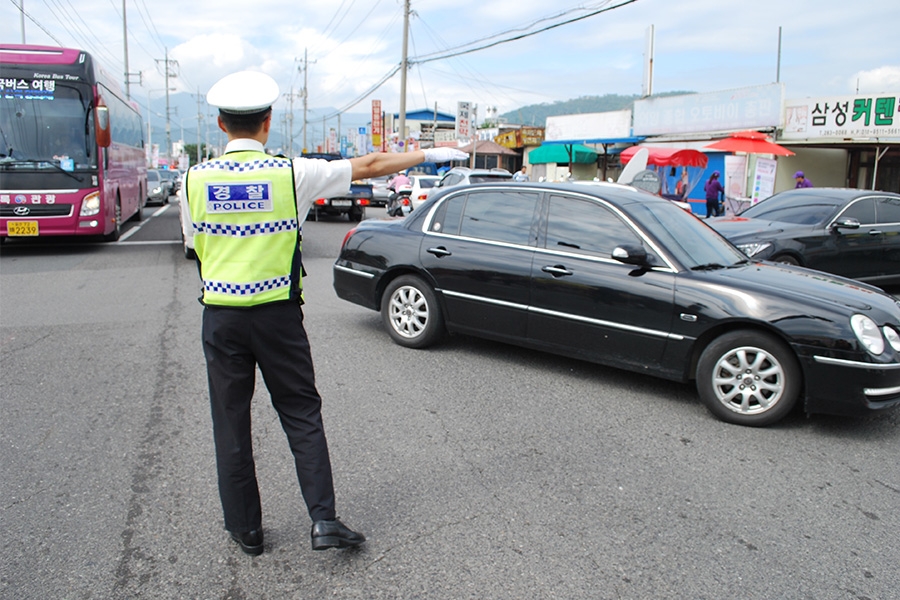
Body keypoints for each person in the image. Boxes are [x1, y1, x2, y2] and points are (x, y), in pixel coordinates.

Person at [184, 70, 467, 556]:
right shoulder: (290, 172)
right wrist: (433, 153)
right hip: (278, 315)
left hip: (222, 316)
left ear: (220, 125)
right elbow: (372, 164)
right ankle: (323, 520)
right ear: (268, 122)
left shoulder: (194, 178)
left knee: (230, 421)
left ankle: (247, 531)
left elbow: (197, 247)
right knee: (300, 413)